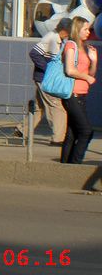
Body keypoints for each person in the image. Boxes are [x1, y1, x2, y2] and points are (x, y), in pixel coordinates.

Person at [59, 15, 98, 164]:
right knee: (86, 131)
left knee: (72, 133)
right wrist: (87, 78)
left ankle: (65, 166)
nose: (88, 32)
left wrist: (94, 60)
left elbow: (91, 74)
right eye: (85, 29)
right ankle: (75, 164)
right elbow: (69, 70)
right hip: (71, 94)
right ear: (77, 29)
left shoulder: (85, 48)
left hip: (81, 94)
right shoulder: (71, 45)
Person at [30, 17, 70, 145]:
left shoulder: (60, 40)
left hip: (44, 78)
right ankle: (58, 138)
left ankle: (21, 131)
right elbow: (34, 53)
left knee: (39, 108)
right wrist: (48, 70)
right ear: (65, 30)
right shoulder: (51, 37)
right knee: (57, 106)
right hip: (45, 79)